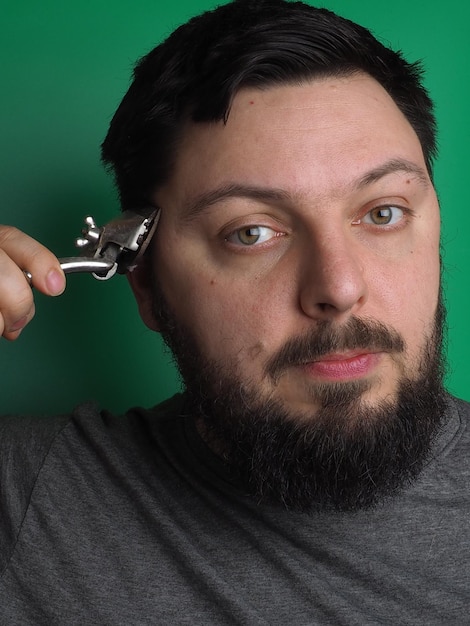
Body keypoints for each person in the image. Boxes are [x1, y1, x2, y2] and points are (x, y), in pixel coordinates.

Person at [0, 0, 468, 622]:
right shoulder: (26, 498)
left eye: (383, 213)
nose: (340, 287)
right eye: (250, 232)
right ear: (145, 282)